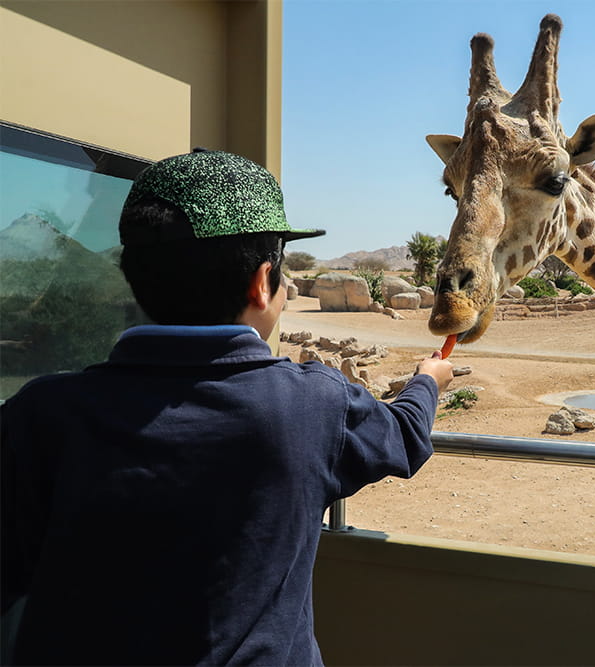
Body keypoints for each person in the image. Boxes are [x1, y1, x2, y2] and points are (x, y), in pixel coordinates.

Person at [0, 149, 453, 665]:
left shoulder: (41, 413)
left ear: (134, 278)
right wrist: (428, 381)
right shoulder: (312, 405)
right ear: (263, 283)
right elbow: (404, 436)